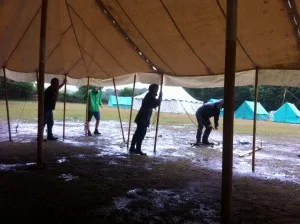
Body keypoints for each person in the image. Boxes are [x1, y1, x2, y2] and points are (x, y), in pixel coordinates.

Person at [129, 84, 162, 155]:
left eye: (157, 89)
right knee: (141, 134)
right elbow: (157, 103)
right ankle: (137, 149)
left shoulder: (149, 95)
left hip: (143, 117)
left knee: (138, 133)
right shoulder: (150, 96)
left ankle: (133, 147)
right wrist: (160, 96)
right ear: (152, 89)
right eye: (156, 89)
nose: (157, 90)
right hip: (143, 117)